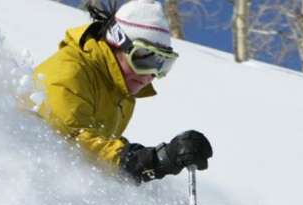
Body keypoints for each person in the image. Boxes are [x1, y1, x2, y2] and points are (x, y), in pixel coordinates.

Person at [32, 0, 212, 183]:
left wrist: (159, 159)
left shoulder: (119, 91)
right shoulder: (69, 72)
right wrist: (146, 160)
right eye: (143, 59)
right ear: (116, 41)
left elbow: (99, 155)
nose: (149, 76)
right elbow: (73, 140)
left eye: (162, 65)